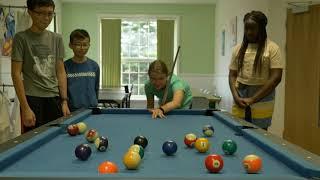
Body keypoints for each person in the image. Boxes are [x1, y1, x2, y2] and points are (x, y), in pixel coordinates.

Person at [11, 0, 70, 132]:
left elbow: (60, 72)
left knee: (56, 139)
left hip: (54, 99)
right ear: (30, 12)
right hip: (32, 99)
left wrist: (64, 101)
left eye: (50, 14)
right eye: (41, 13)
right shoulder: (21, 38)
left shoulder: (57, 39)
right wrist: (25, 107)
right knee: (31, 141)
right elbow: (16, 74)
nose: (46, 18)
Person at [228, 11, 283, 130]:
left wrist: (253, 99)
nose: (249, 32)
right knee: (238, 130)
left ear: (262, 29)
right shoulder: (238, 49)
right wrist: (235, 96)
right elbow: (232, 75)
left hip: (263, 97)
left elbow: (276, 77)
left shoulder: (272, 48)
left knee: (260, 132)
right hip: (240, 96)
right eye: (246, 28)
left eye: (253, 29)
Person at [64, 29, 100, 111]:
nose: (82, 48)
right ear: (70, 45)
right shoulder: (64, 66)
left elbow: (96, 88)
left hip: (91, 109)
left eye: (85, 45)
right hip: (72, 110)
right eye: (78, 44)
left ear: (89, 45)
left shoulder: (94, 66)